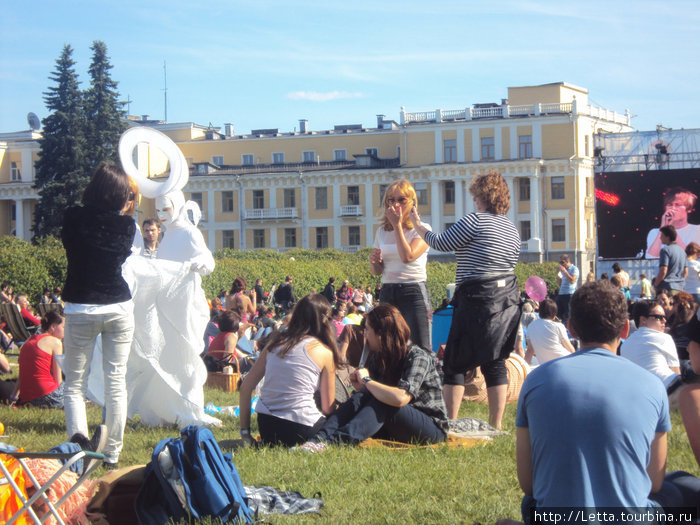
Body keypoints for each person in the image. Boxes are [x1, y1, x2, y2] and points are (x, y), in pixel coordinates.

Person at [498, 280, 700, 525]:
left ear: (571, 328)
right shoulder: (653, 386)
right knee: (681, 487)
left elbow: (528, 484)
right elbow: (654, 483)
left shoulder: (535, 381)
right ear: (626, 329)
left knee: (530, 504)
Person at [411, 170, 520, 429]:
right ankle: (496, 425)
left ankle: (450, 421)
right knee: (495, 362)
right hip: (507, 300)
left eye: (476, 196)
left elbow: (442, 242)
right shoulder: (512, 229)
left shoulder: (475, 221)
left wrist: (418, 226)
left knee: (455, 362)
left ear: (483, 196)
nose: (474, 200)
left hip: (476, 298)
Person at [61, 162, 136, 470]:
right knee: (115, 382)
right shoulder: (127, 226)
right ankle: (113, 454)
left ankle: (78, 447)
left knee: (74, 385)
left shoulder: (73, 217)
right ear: (121, 196)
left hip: (81, 306)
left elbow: (71, 247)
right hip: (118, 306)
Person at [296, 304, 447, 451]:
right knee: (362, 396)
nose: (365, 334)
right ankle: (319, 439)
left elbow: (401, 398)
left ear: (381, 334)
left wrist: (367, 382)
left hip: (430, 427)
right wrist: (363, 388)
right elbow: (373, 393)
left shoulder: (418, 357)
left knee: (384, 401)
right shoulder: (379, 358)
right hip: (396, 422)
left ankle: (337, 442)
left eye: (368, 330)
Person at [238, 294, 339, 447]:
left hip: (267, 427)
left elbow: (245, 388)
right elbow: (327, 407)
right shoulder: (324, 352)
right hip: (301, 427)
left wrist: (245, 433)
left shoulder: (274, 344)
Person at [370, 179, 432, 352]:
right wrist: (375, 263)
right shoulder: (382, 231)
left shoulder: (422, 228)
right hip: (388, 289)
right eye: (391, 200)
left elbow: (407, 256)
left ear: (411, 201)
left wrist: (397, 225)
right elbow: (377, 271)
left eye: (401, 200)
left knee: (420, 345)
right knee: (388, 344)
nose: (396, 204)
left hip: (413, 289)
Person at [620, 300, 681, 391]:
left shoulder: (625, 344)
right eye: (658, 317)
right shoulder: (664, 338)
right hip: (666, 388)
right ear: (643, 320)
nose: (664, 320)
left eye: (664, 317)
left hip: (640, 393)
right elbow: (675, 371)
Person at [13, 311, 65, 408]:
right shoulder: (56, 342)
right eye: (63, 327)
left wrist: (14, 398)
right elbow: (58, 379)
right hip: (47, 396)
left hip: (26, 398)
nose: (65, 331)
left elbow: (21, 375)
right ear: (53, 327)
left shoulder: (29, 340)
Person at [646, 187, 700, 258]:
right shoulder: (654, 232)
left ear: (688, 209)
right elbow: (650, 258)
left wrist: (672, 229)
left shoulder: (697, 230)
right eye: (669, 205)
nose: (673, 208)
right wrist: (662, 228)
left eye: (677, 205)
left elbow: (689, 258)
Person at [524, 299, 575, 365]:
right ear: (554, 313)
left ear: (540, 312)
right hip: (563, 360)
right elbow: (569, 348)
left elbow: (530, 351)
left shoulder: (531, 326)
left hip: (544, 365)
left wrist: (524, 369)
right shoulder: (558, 326)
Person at [654, 225, 688, 296]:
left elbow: (663, 271)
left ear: (668, 237)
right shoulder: (682, 251)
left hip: (667, 288)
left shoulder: (665, 250)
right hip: (680, 289)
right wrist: (680, 282)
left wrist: (656, 284)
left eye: (662, 235)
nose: (660, 238)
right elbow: (685, 272)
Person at [555, 254, 579, 325]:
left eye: (562, 262)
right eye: (560, 263)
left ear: (567, 261)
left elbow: (572, 281)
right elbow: (560, 284)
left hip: (569, 293)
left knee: (568, 314)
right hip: (561, 293)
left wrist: (565, 271)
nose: (561, 264)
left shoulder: (574, 269)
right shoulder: (563, 270)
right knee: (559, 314)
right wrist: (558, 275)